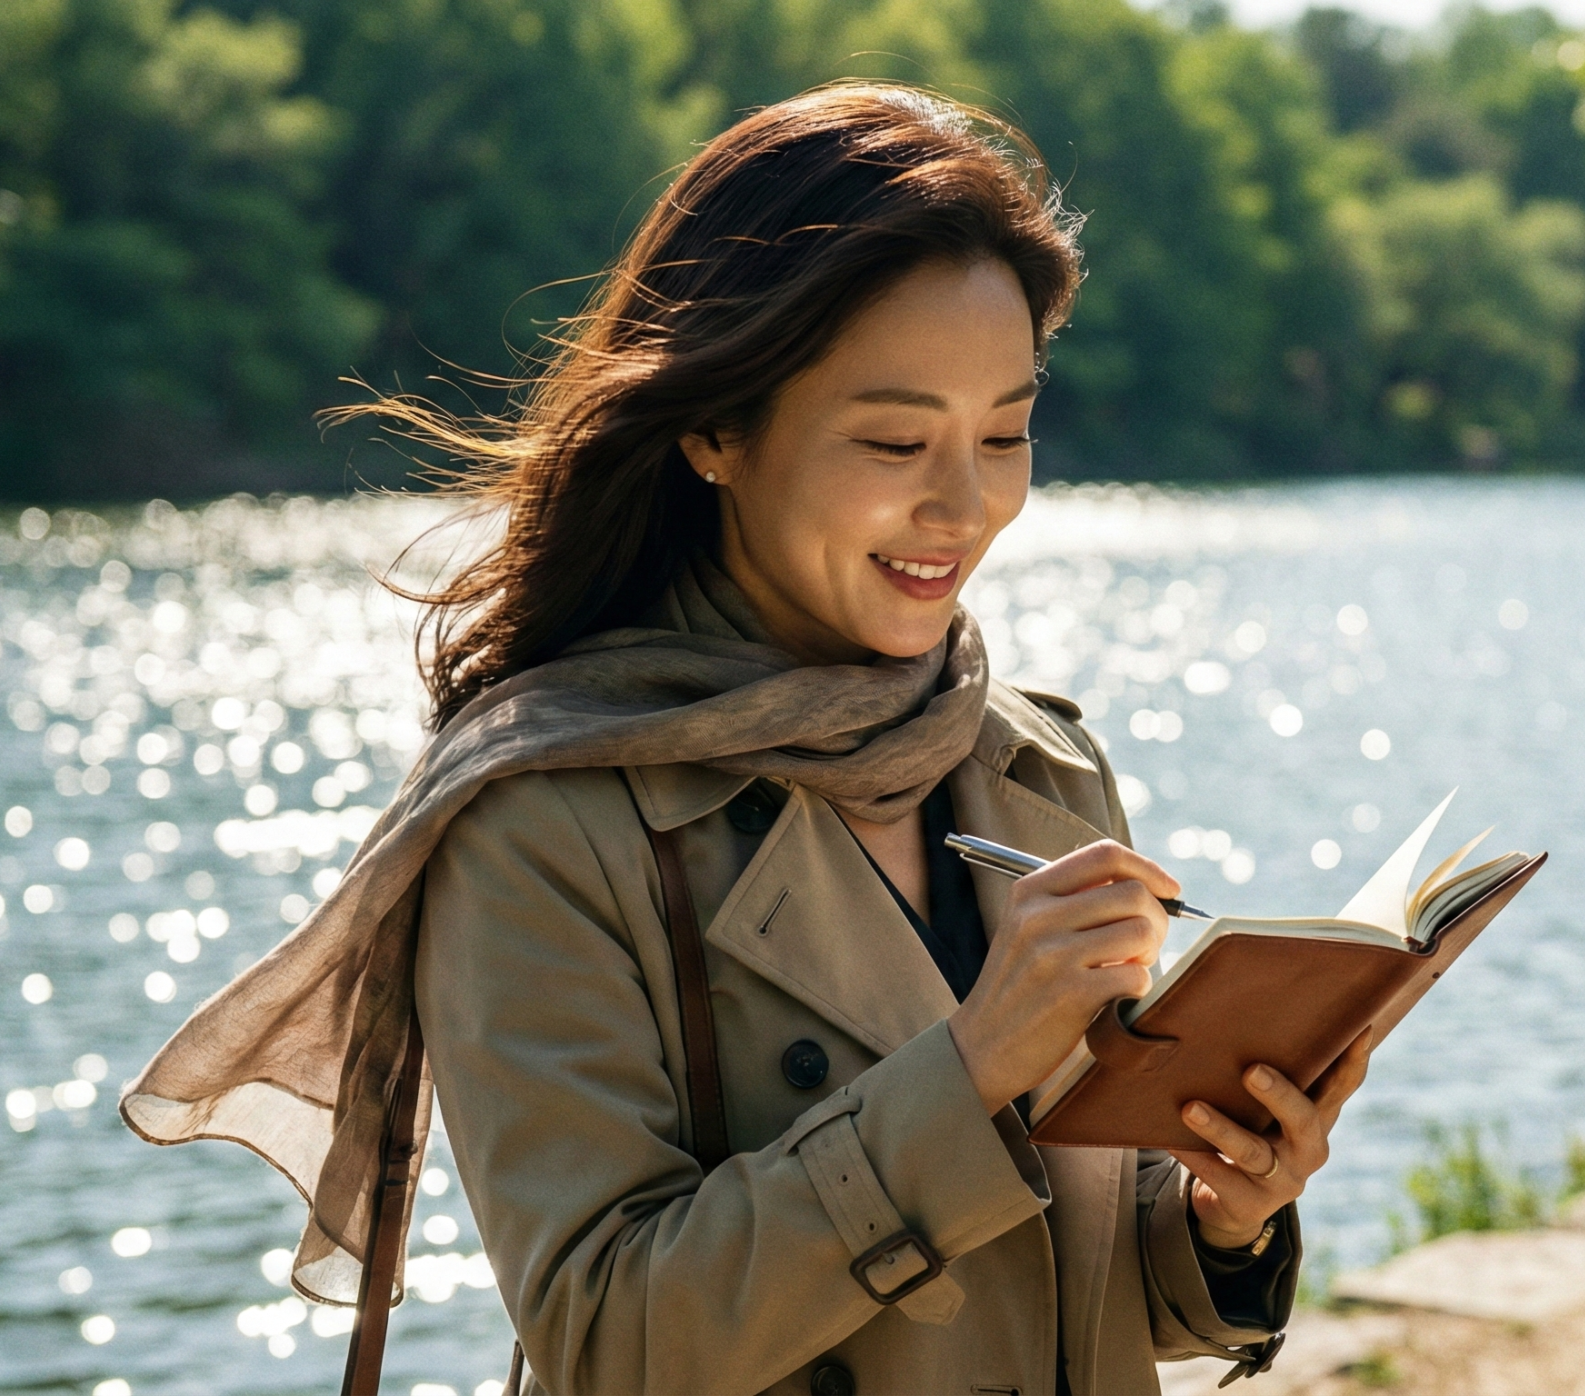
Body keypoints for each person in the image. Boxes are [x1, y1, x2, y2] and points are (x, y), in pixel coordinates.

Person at [120, 84, 1371, 1396]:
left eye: (1006, 433)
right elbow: (605, 1338)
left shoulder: (1038, 767)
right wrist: (970, 1070)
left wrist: (1227, 1218)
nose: (966, 503)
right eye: (895, 438)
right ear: (716, 430)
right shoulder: (548, 820)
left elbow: (1059, 1295)